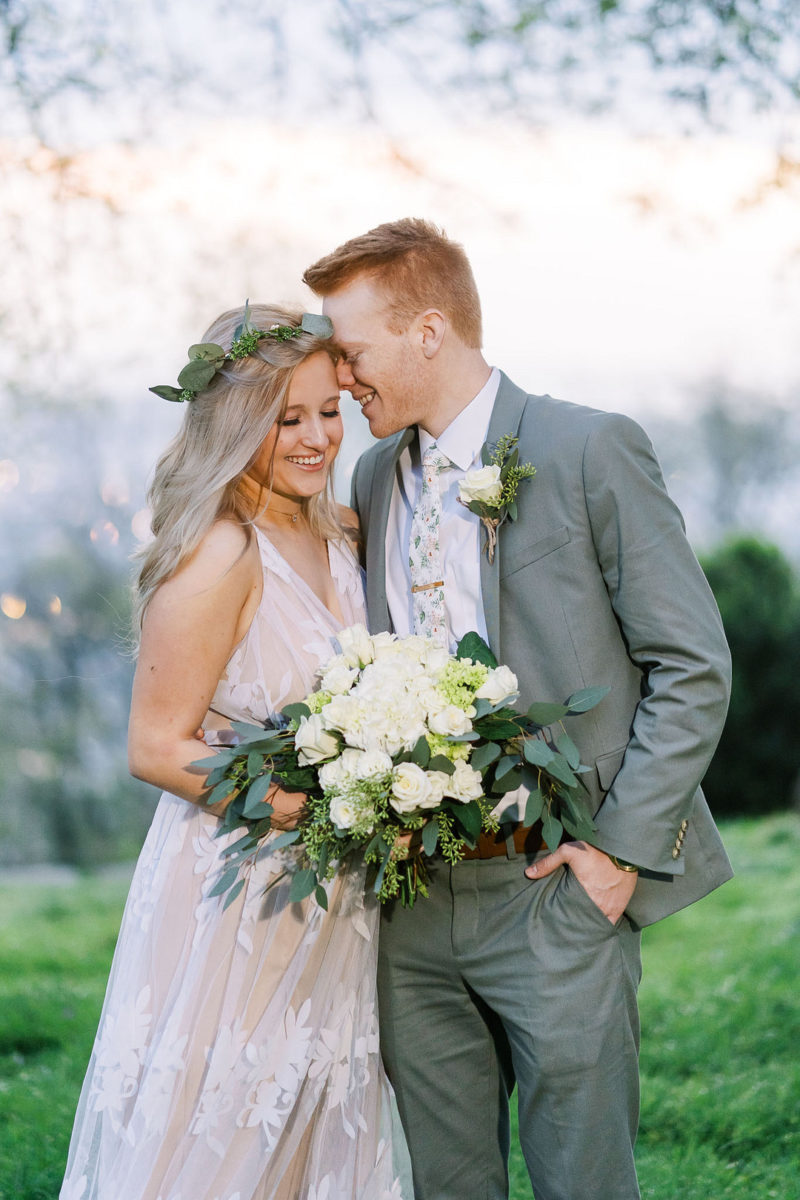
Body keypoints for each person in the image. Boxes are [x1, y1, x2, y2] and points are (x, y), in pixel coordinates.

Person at [303, 219, 733, 1200]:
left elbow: (691, 661)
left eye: (351, 350)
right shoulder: (372, 474)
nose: (340, 377)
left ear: (425, 331)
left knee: (581, 1181)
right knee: (446, 1183)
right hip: (411, 901)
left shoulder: (586, 448)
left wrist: (617, 853)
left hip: (554, 885)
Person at [60, 303, 409, 1200]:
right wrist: (321, 810)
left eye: (328, 410)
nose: (317, 437)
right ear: (233, 421)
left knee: (311, 1124)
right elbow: (153, 745)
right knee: (227, 1135)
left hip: (339, 895)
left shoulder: (343, 531)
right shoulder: (220, 553)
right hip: (242, 892)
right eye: (285, 418)